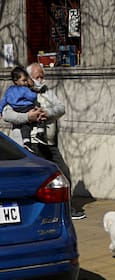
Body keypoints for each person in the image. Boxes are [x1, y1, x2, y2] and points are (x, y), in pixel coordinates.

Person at [2, 63, 86, 220]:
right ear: (27, 78)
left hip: (48, 141)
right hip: (30, 143)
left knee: (62, 173)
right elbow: (7, 114)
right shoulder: (16, 91)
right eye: (36, 76)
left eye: (42, 76)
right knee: (36, 179)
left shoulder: (46, 92)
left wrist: (47, 113)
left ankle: (67, 208)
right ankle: (35, 212)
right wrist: (28, 117)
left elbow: (60, 108)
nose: (40, 79)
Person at [0, 66, 47, 153]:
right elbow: (32, 97)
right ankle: (40, 133)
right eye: (24, 80)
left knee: (25, 126)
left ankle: (26, 141)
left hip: (17, 109)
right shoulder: (24, 89)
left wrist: (0, 109)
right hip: (27, 108)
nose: (26, 83)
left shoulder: (9, 90)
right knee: (40, 115)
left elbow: (3, 101)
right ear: (16, 81)